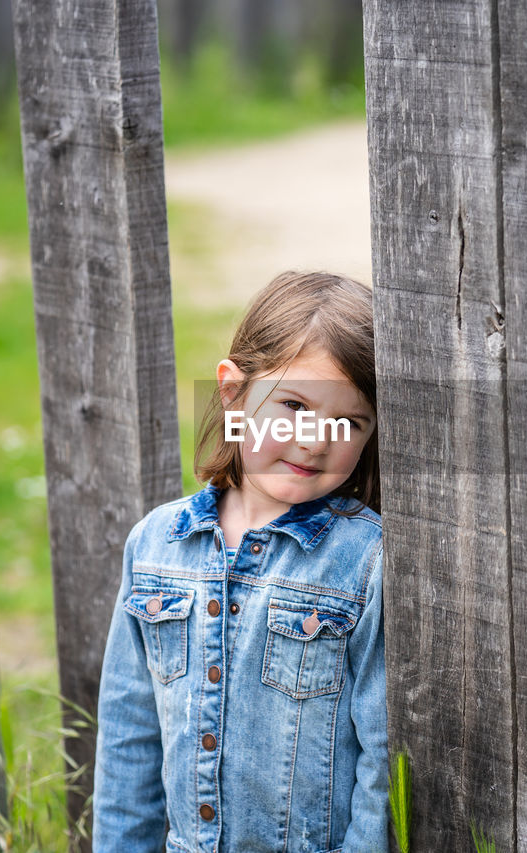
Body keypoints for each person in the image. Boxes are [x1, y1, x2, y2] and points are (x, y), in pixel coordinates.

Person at [92, 271, 387, 853]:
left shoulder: (366, 561)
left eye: (348, 422)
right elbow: (129, 739)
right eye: (294, 405)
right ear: (233, 395)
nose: (314, 440)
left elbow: (382, 760)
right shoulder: (156, 546)